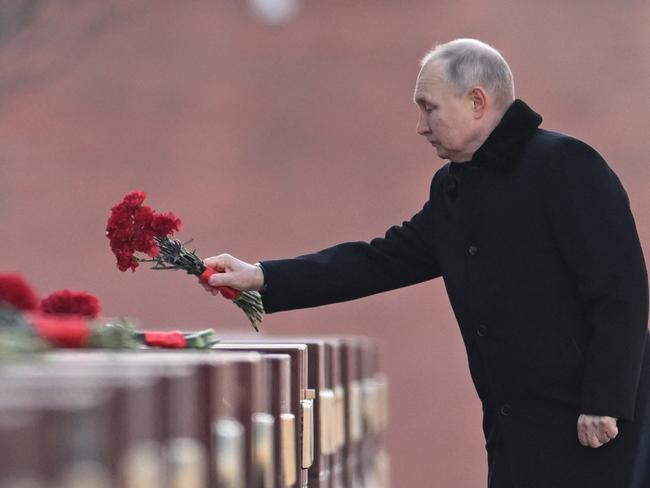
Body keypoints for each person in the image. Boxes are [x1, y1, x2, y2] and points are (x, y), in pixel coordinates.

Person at [200, 39, 650, 487]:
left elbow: (622, 288)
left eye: (429, 108)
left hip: (591, 426)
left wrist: (604, 401)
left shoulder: (564, 165)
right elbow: (378, 260)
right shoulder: (453, 188)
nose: (420, 126)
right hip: (514, 431)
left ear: (477, 101)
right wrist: (262, 276)